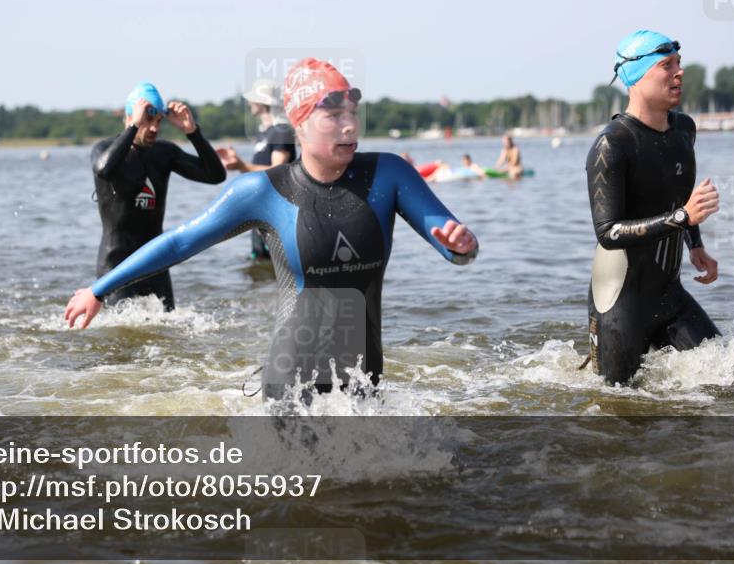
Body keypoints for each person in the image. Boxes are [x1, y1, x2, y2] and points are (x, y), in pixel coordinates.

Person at [67, 59, 478, 400]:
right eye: (333, 115)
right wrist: (98, 290)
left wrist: (462, 244)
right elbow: (179, 241)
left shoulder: (389, 174)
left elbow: (454, 246)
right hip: (290, 385)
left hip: (364, 383)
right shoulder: (262, 192)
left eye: (352, 113)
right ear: (299, 124)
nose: (349, 126)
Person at [583, 30, 720, 384]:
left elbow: (680, 198)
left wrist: (696, 245)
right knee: (617, 408)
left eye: (679, 63)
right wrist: (682, 217)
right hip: (620, 303)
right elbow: (609, 232)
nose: (679, 73)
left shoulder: (684, 130)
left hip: (670, 294)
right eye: (666, 65)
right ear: (636, 75)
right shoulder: (611, 145)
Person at [88, 82, 226, 311]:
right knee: (121, 338)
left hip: (156, 265)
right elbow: (104, 170)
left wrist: (193, 132)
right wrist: (133, 126)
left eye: (158, 121)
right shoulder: (104, 149)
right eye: (147, 121)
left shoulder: (164, 153)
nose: (154, 128)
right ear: (129, 117)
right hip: (116, 266)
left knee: (166, 333)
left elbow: (215, 175)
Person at [216, 78, 298, 260]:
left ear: (263, 102)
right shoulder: (265, 133)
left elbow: (278, 171)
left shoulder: (282, 132)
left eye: (253, 98)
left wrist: (242, 165)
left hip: (276, 213)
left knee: (275, 265)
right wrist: (239, 164)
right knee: (260, 262)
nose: (249, 102)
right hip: (261, 210)